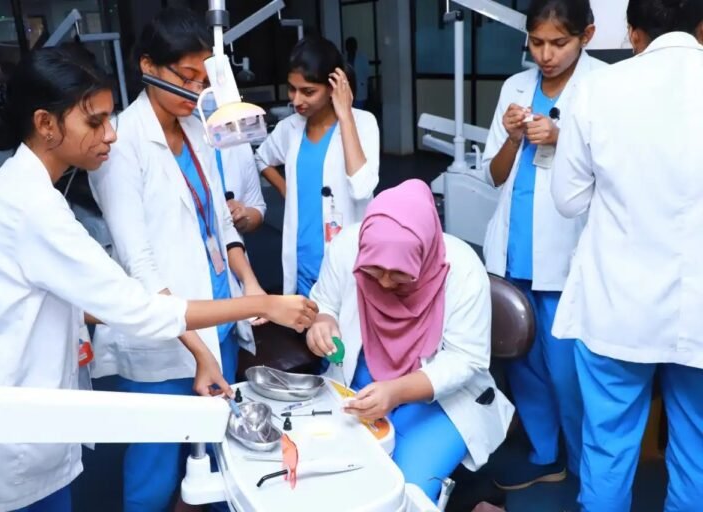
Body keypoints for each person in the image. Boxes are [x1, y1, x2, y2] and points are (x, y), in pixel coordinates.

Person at [0, 46, 316, 512]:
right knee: (151, 470)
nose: (110, 134)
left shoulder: (25, 189)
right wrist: (264, 304)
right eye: (95, 122)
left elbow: (81, 300)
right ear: (46, 124)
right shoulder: (29, 207)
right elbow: (137, 306)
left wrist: (201, 343)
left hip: (21, 426)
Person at [86, 9, 271, 511]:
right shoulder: (121, 145)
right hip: (167, 336)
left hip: (218, 316)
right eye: (186, 77)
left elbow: (222, 223)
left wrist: (251, 284)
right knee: (156, 466)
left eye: (203, 80)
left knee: (215, 454)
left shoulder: (196, 129)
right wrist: (198, 350)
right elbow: (141, 267)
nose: (195, 91)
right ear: (149, 66)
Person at [550, 0, 703, 510]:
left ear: (633, 34)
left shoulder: (599, 89)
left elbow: (568, 200)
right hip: (699, 311)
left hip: (618, 306)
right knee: (698, 447)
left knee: (608, 445)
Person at [306, 179, 514, 504]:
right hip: (359, 385)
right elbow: (324, 302)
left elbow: (465, 360)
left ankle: (469, 495)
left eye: (400, 274)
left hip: (440, 399)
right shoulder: (348, 247)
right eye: (374, 271)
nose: (386, 283)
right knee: (328, 471)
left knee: (401, 492)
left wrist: (396, 391)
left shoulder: (462, 270)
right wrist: (322, 321)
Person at [481, 0, 603, 490]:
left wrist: (560, 138)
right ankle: (546, 454)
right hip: (513, 254)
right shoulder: (514, 87)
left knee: (569, 374)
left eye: (559, 43)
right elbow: (493, 176)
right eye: (536, 42)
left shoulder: (604, 86)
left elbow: (616, 171)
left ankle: (587, 470)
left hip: (568, 255)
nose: (546, 55)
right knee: (523, 362)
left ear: (586, 36)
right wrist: (513, 138)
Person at [256, 36, 379, 297]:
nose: (296, 100)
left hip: (346, 261)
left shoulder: (363, 123)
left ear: (333, 86)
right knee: (306, 321)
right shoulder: (289, 128)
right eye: (292, 89)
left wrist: (345, 116)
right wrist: (287, 190)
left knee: (345, 320)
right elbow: (262, 158)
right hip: (302, 261)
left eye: (308, 91)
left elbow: (362, 188)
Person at [196, 94, 266, 234]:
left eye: (208, 84)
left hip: (233, 244)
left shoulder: (238, 141)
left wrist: (242, 218)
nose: (206, 93)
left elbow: (257, 207)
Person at [345, 37, 369, 109]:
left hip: (360, 89)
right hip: (347, 89)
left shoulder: (362, 57)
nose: (350, 47)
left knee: (358, 110)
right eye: (348, 45)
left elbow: (367, 73)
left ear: (356, 46)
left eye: (352, 45)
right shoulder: (343, 57)